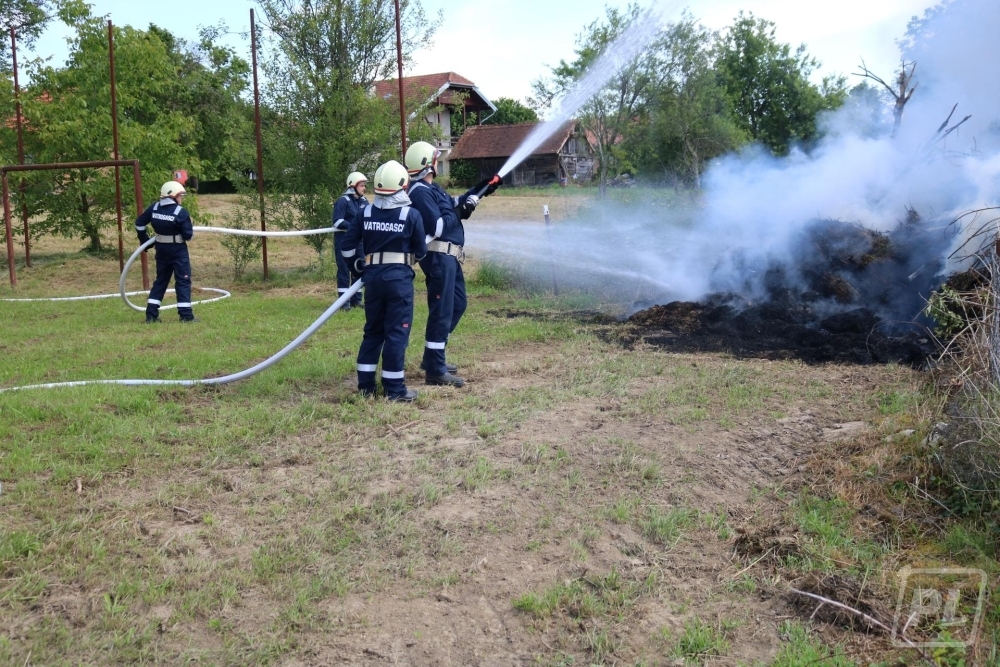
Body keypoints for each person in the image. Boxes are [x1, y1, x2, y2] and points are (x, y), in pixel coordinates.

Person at [404, 141, 500, 387]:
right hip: (438, 257)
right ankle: (435, 370)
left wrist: (483, 188)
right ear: (429, 165)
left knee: (457, 304)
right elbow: (437, 226)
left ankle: (432, 357)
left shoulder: (432, 189)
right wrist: (459, 211)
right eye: (435, 159)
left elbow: (456, 205)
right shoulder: (418, 193)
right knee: (442, 310)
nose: (438, 163)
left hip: (450, 257)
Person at [340, 160, 427, 402]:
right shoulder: (411, 214)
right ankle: (394, 389)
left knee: (373, 332)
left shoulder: (364, 212)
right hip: (398, 280)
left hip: (373, 280)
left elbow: (347, 246)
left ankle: (366, 388)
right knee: (397, 333)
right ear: (402, 185)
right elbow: (421, 251)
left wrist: (356, 268)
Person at [135, 180, 197, 323]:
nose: (181, 198)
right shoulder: (180, 212)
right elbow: (188, 235)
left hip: (161, 250)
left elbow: (139, 224)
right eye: (180, 195)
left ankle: (151, 314)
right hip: (178, 251)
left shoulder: (154, 208)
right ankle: (186, 315)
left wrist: (144, 241)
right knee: (183, 280)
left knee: (161, 281)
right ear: (173, 195)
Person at [332, 171, 369, 310]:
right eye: (362, 186)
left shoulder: (364, 201)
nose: (364, 189)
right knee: (344, 270)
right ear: (352, 186)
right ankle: (343, 302)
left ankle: (356, 300)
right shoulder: (343, 201)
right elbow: (337, 222)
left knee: (359, 269)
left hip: (359, 243)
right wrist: (355, 227)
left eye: (364, 186)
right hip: (344, 241)